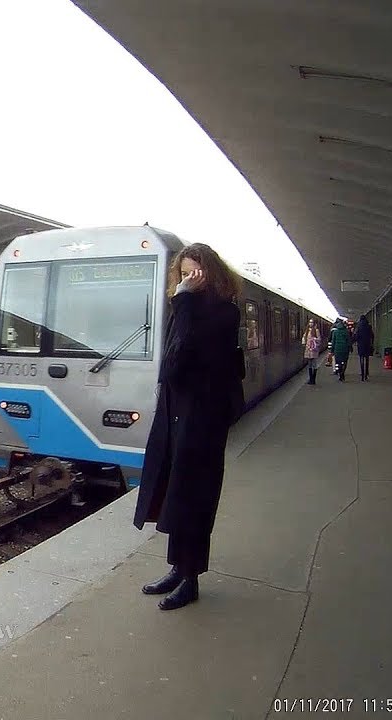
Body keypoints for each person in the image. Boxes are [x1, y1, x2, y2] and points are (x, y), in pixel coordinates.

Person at [134, 243, 244, 611]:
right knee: (174, 495)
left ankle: (191, 579)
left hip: (203, 421)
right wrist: (182, 304)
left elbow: (179, 359)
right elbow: (170, 363)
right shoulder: (185, 309)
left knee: (195, 498)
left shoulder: (224, 313)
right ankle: (177, 569)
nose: (188, 281)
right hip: (176, 415)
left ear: (210, 274)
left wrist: (182, 301)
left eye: (195, 273)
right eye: (183, 275)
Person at [302, 319, 322, 385]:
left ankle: (313, 379)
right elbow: (304, 338)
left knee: (314, 364)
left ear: (314, 323)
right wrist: (304, 343)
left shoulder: (316, 330)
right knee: (309, 364)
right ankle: (310, 379)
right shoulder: (307, 331)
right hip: (308, 350)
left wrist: (314, 339)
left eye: (312, 322)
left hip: (314, 350)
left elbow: (319, 339)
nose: (310, 323)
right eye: (310, 322)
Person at [355, 315, 374, 381]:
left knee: (361, 359)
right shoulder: (369, 326)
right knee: (367, 359)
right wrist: (372, 343)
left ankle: (362, 375)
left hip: (360, 345)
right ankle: (366, 374)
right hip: (367, 345)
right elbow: (372, 335)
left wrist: (356, 342)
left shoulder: (358, 327)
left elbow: (356, 336)